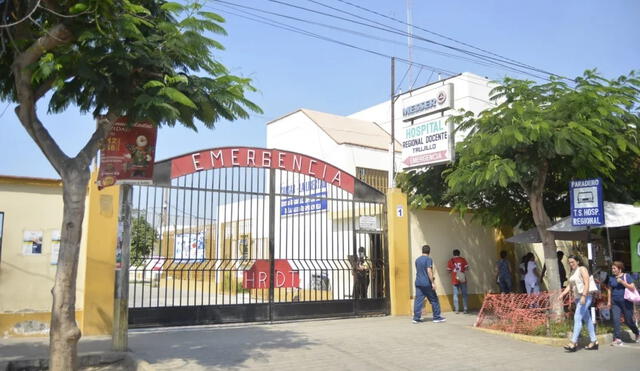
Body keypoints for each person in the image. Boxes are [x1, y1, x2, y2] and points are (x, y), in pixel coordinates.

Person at [559, 255, 598, 352]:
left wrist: (584, 296)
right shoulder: (573, 272)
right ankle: (594, 341)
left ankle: (573, 342)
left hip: (585, 296)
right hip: (578, 298)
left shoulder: (582, 269)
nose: (571, 264)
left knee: (577, 318)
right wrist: (562, 294)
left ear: (578, 261)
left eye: (572, 262)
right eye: (569, 262)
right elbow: (570, 286)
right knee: (587, 319)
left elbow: (587, 282)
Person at [607, 261, 640, 345]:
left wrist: (622, 282)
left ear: (620, 269)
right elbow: (609, 290)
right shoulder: (611, 278)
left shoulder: (627, 276)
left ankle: (637, 332)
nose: (613, 270)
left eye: (614, 268)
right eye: (612, 268)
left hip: (626, 302)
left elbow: (632, 287)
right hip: (615, 302)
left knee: (628, 321)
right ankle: (617, 338)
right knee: (616, 319)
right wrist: (609, 301)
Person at [413, 245, 446, 323]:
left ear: (422, 251)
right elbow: (429, 271)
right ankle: (436, 317)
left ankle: (416, 318)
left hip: (418, 282)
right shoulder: (428, 259)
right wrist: (433, 282)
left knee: (418, 300)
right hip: (426, 283)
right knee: (434, 299)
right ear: (429, 251)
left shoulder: (417, 260)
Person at [447, 249, 469, 313]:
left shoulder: (450, 261)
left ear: (453, 254)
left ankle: (457, 310)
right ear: (459, 254)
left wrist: (453, 271)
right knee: (464, 294)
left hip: (454, 279)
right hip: (462, 279)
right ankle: (465, 309)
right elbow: (467, 268)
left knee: (455, 295)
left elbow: (448, 271)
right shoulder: (463, 259)